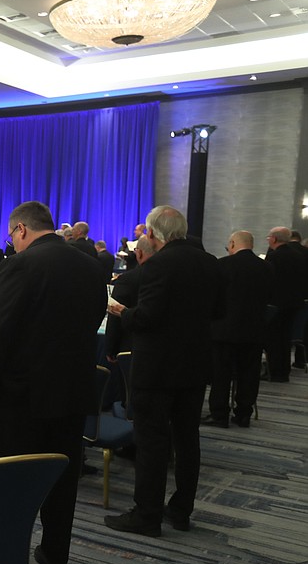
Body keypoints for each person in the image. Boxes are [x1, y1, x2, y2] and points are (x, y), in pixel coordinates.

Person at [0, 201, 106, 564]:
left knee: (11, 480)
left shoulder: (18, 265)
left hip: (20, 397)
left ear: (20, 229)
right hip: (72, 391)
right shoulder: (90, 264)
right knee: (62, 480)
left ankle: (5, 555)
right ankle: (56, 554)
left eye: (11, 235)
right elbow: (97, 317)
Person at [105, 206, 221, 537]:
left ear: (153, 234)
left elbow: (147, 319)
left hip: (157, 368)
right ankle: (181, 510)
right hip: (195, 365)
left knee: (153, 442)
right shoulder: (210, 263)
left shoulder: (158, 265)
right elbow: (219, 311)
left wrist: (123, 312)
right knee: (187, 439)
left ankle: (147, 515)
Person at [208, 231, 274, 427]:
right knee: (249, 374)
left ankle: (219, 414)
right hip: (254, 330)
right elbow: (270, 297)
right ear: (251, 245)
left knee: (221, 375)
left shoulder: (222, 265)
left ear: (233, 243)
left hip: (224, 330)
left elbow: (214, 297)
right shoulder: (267, 267)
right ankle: (244, 413)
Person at [263, 226, 308, 382]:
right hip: (295, 304)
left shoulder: (274, 257)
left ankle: (274, 371)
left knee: (274, 339)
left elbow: (268, 282)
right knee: (285, 339)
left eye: (268, 238)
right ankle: (283, 371)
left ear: (274, 239)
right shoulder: (299, 255)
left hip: (276, 305)